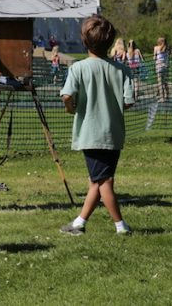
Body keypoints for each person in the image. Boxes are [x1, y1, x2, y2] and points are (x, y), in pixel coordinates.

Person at [59, 14, 135, 236]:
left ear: (84, 41)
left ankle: (121, 225)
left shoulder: (78, 68)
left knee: (104, 181)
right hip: (113, 134)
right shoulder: (123, 70)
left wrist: (70, 107)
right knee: (98, 179)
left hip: (90, 134)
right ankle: (79, 223)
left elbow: (66, 96)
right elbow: (128, 102)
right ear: (111, 42)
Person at [153, 36, 170, 103]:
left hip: (159, 66)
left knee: (160, 83)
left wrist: (155, 57)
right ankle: (167, 95)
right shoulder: (167, 48)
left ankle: (162, 98)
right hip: (165, 66)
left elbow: (154, 57)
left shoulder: (156, 48)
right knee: (165, 82)